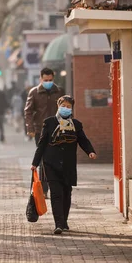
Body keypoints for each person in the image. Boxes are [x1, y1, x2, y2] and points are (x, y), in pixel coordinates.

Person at [31, 95, 97, 235]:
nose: (66, 109)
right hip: (51, 163)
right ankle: (58, 224)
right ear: (58, 106)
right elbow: (42, 144)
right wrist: (35, 163)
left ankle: (64, 221)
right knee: (56, 193)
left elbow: (83, 140)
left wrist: (90, 151)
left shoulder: (76, 124)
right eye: (63, 106)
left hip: (68, 164)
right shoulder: (49, 122)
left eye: (68, 106)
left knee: (67, 193)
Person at [24, 67, 63, 193]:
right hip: (40, 131)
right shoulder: (34, 92)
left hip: (57, 130)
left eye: (50, 80)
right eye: (45, 80)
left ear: (53, 78)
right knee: (43, 160)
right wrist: (30, 128)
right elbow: (28, 112)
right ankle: (44, 190)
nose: (48, 82)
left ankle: (56, 188)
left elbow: (66, 109)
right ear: (40, 78)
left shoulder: (59, 91)